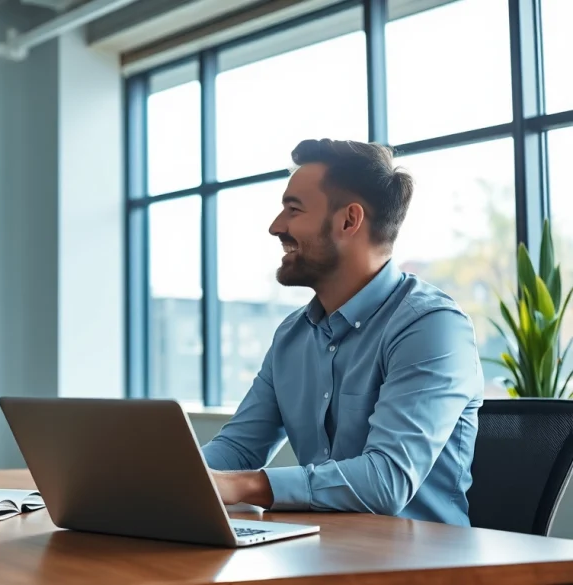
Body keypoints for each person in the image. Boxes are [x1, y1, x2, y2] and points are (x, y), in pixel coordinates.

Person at [203, 138, 483, 526]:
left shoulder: (432, 327)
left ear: (349, 220)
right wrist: (165, 478)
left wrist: (243, 486)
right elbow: (237, 448)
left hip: (425, 567)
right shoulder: (292, 335)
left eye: (293, 209)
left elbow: (386, 480)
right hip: (323, 553)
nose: (275, 226)